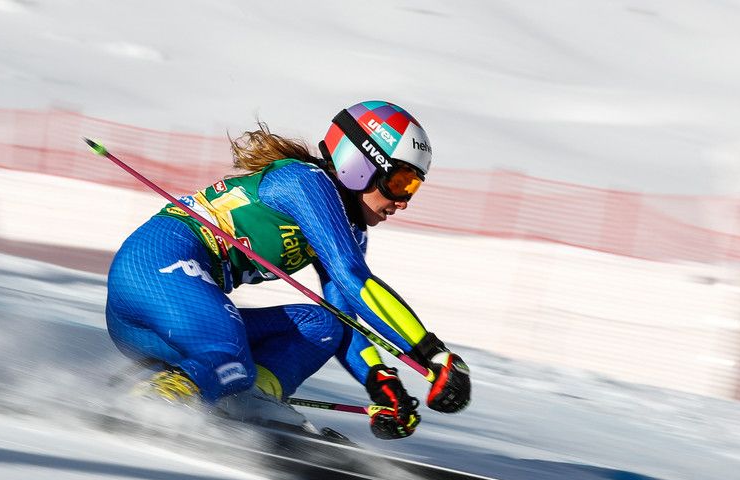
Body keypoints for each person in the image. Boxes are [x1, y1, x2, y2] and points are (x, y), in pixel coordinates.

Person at [105, 101, 470, 439]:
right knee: (231, 355)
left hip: (173, 321)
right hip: (151, 266)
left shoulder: (348, 229)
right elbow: (353, 277)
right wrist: (433, 355)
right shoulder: (305, 181)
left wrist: (381, 383)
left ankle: (247, 398)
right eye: (400, 181)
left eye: (413, 188)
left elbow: (345, 316)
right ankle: (161, 395)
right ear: (361, 164)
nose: (403, 201)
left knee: (321, 327)